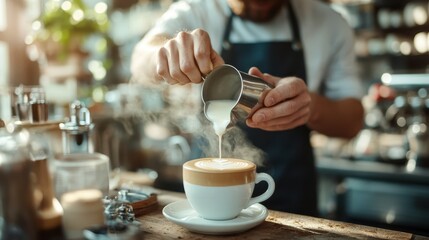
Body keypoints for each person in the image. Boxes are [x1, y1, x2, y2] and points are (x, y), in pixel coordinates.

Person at [130, 0, 365, 216]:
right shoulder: (198, 10)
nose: (260, 3)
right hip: (206, 202)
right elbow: (140, 59)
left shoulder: (329, 23)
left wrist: (310, 107)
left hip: (294, 200)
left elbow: (353, 121)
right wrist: (162, 56)